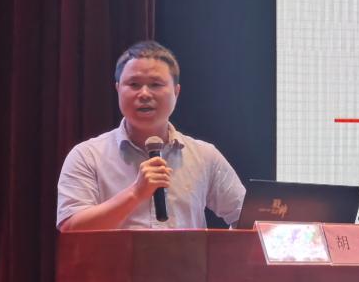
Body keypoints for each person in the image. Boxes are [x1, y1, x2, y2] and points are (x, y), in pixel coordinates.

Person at [57, 40, 245, 230]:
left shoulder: (205, 156)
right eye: (134, 84)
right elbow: (71, 228)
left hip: (185, 252)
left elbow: (249, 218)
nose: (145, 94)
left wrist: (224, 247)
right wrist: (135, 193)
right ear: (118, 89)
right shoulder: (87, 156)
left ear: (176, 92)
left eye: (155, 84)